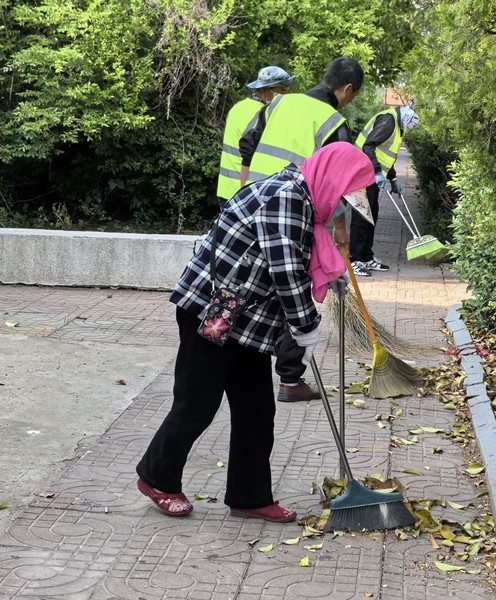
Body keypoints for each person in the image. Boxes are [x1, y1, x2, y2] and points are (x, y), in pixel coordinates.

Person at [136, 142, 375, 522]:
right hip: (213, 313)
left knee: (256, 411)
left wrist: (331, 276)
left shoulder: (305, 200)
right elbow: (285, 270)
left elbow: (298, 254)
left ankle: (249, 497)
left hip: (248, 322)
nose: (343, 204)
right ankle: (157, 478)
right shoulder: (286, 197)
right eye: (345, 194)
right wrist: (305, 327)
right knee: (196, 404)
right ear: (332, 179)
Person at [239, 56, 365, 402]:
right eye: (353, 95)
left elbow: (247, 145)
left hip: (253, 207)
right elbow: (336, 180)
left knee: (255, 284)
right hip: (295, 213)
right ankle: (290, 380)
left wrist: (246, 192)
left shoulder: (279, 103)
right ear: (347, 89)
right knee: (294, 288)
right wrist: (340, 227)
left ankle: (246, 361)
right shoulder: (333, 121)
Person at [349, 105, 421, 277]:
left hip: (370, 174)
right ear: (405, 118)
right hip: (361, 171)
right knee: (362, 215)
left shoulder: (397, 124)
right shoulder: (388, 120)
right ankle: (354, 260)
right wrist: (376, 171)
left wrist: (393, 178)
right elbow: (368, 145)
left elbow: (385, 155)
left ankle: (366, 257)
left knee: (371, 215)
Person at [216, 66, 296, 206]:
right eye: (283, 90)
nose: (285, 95)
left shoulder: (238, 107)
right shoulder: (264, 113)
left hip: (227, 189)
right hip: (245, 192)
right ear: (267, 90)